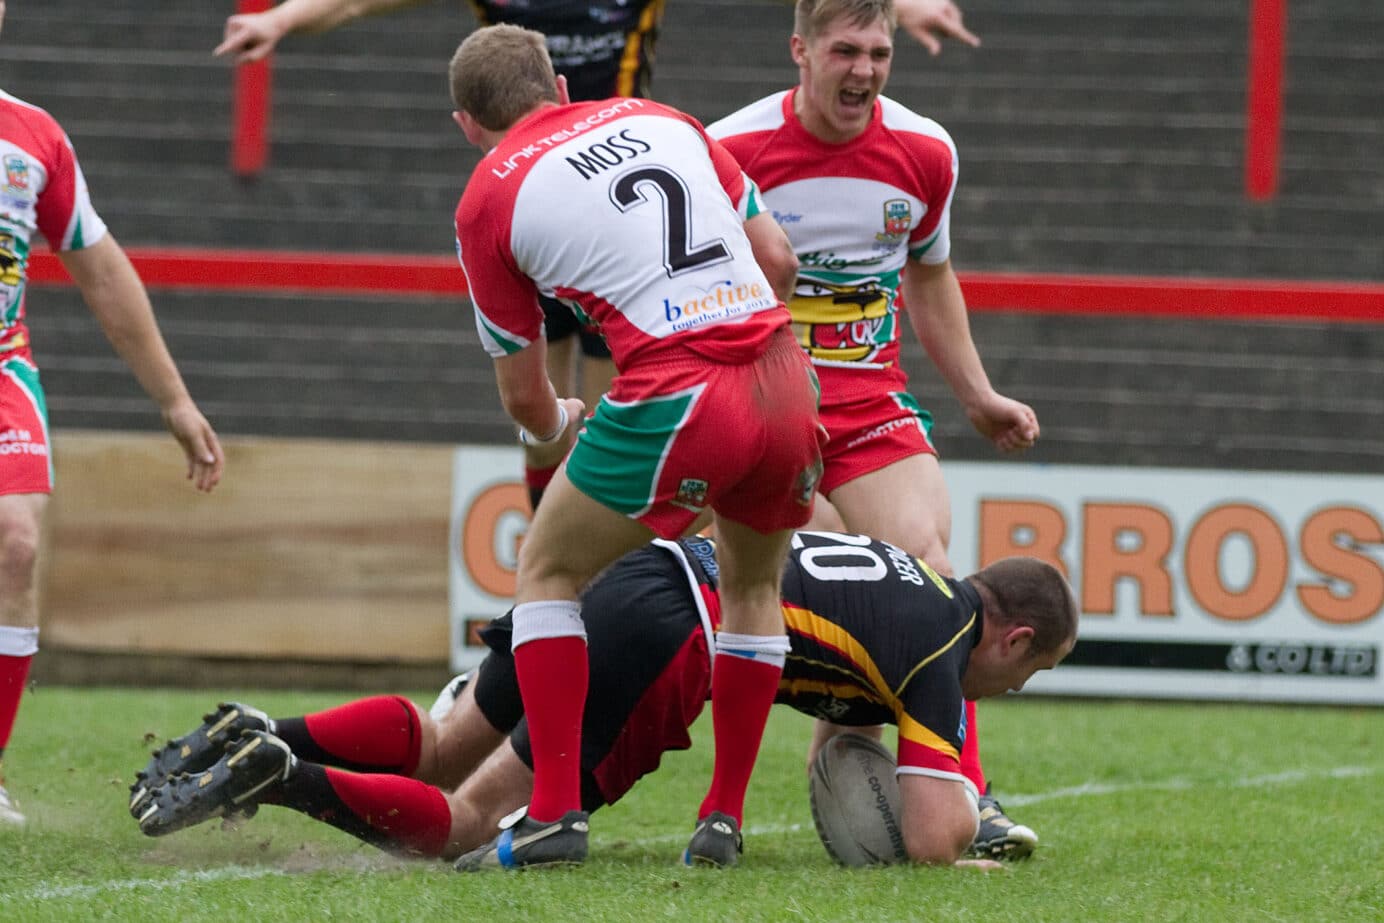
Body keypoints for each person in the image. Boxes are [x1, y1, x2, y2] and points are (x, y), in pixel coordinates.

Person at [212, 0, 979, 509]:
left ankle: (609, 555)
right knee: (538, 400)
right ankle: (560, 547)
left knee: (624, 394)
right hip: (538, 204)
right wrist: (281, 18)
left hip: (625, 210)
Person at [446, 25, 826, 871]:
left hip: (679, 391)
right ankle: (724, 815)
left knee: (546, 570)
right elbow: (777, 257)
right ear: (559, 87)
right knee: (753, 583)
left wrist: (561, 422)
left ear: (468, 124)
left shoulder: (485, 198)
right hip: (786, 375)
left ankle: (551, 813)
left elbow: (523, 394)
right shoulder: (665, 118)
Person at [131, 530, 1078, 868]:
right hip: (676, 637)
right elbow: (930, 833)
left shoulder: (911, 579)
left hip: (630, 576)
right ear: (1014, 636)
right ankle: (288, 774)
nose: (1010, 690)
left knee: (444, 734)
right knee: (475, 820)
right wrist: (954, 853)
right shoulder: (950, 650)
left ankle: (262, 730)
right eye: (1025, 676)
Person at [704, 0, 1040, 859]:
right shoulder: (728, 151)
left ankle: (962, 788)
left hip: (871, 409)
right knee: (820, 589)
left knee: (929, 573)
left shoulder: (925, 152)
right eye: (844, 50)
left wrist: (977, 395)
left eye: (879, 52)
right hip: (769, 412)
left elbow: (931, 278)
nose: (863, 70)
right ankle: (807, 777)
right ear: (800, 51)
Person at [0, 0, 225, 827]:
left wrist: (174, 400)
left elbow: (99, 269)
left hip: (1, 369)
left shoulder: (34, 139)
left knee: (15, 542)